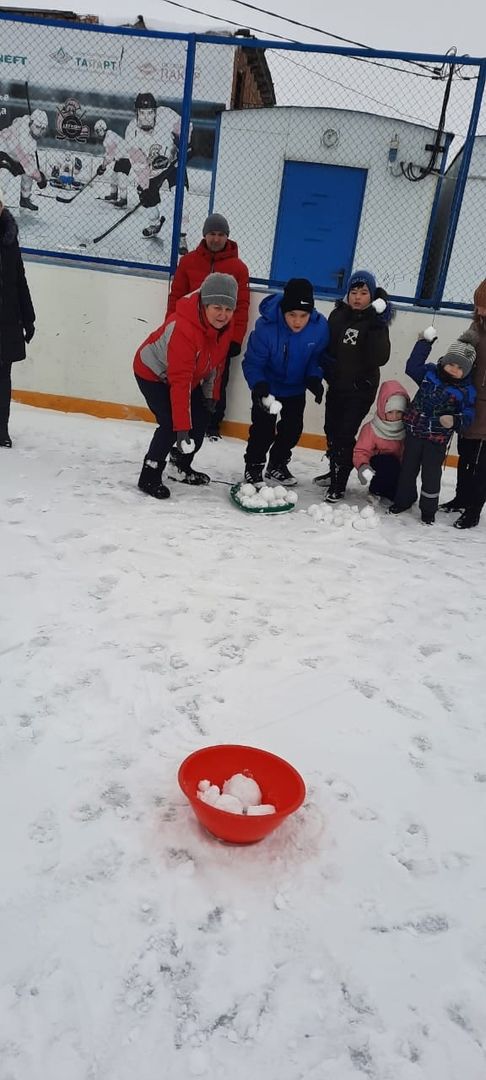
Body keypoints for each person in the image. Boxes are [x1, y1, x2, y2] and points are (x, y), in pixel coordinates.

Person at [133, 272, 237, 499]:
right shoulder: (184, 329)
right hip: (153, 373)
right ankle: (149, 474)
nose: (223, 314)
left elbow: (215, 364)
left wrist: (211, 395)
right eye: (217, 307)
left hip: (188, 376)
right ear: (204, 303)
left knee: (201, 417)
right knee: (171, 423)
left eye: (228, 309)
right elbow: (179, 383)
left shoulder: (224, 327)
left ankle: (179, 465)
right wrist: (181, 430)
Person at [166, 213, 250, 440]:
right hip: (189, 333)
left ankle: (213, 423)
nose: (216, 239)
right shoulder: (189, 261)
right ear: (204, 235)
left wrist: (236, 339)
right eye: (212, 234)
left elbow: (242, 306)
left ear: (227, 237)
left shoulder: (239, 268)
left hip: (221, 335)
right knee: (185, 377)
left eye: (220, 235)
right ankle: (180, 420)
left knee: (218, 379)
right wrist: (169, 328)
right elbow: (176, 297)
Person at [242, 278, 329, 486]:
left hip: (295, 389)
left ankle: (277, 464)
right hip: (268, 388)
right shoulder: (266, 327)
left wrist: (314, 378)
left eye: (303, 315)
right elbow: (253, 362)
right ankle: (253, 467)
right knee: (262, 430)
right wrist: (259, 385)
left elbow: (317, 358)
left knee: (292, 430)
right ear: (283, 311)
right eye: (292, 315)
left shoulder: (319, 328)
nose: (297, 321)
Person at [315, 269, 393, 502]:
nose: (358, 297)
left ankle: (339, 483)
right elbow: (328, 345)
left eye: (364, 292)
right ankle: (334, 469)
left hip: (360, 389)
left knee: (345, 433)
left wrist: (378, 326)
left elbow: (381, 357)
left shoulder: (375, 322)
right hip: (337, 384)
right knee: (331, 429)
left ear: (372, 296)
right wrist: (325, 364)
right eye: (354, 292)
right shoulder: (338, 315)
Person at [389, 332, 477, 525]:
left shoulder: (466, 391)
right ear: (444, 360)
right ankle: (403, 500)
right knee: (407, 469)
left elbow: (469, 416)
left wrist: (455, 420)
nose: (454, 369)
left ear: (468, 371)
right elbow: (412, 367)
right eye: (451, 363)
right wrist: (424, 343)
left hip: (436, 441)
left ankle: (428, 510)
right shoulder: (430, 373)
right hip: (413, 432)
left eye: (460, 367)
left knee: (431, 475)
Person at [440, 279, 486, 529]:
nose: (481, 312)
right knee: (466, 455)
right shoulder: (476, 327)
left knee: (481, 464)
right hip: (470, 403)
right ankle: (461, 497)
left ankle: (473, 509)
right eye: (478, 306)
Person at [117, 93, 189, 237]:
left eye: (150, 112)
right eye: (142, 113)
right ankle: (155, 223)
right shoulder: (131, 132)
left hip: (173, 163)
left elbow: (186, 128)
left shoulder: (167, 115)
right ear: (136, 113)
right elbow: (139, 165)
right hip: (151, 171)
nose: (146, 117)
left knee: (182, 196)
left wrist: (185, 143)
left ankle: (181, 236)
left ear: (156, 112)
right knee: (145, 195)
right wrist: (146, 186)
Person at [0, 188, 36, 447]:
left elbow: (19, 279)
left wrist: (29, 317)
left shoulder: (9, 239)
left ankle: (1, 428)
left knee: (3, 376)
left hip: (7, 320)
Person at [353, 380, 410, 501]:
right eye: (390, 412)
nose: (395, 417)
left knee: (407, 495)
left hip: (399, 467)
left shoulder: (408, 428)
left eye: (399, 412)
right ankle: (376, 489)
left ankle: (395, 488)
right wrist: (363, 466)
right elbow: (361, 451)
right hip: (379, 465)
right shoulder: (371, 428)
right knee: (388, 463)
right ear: (382, 409)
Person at [0, 109, 48, 211]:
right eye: (38, 127)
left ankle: (25, 199)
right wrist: (41, 179)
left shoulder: (25, 121)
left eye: (43, 128)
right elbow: (30, 168)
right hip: (3, 153)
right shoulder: (24, 139)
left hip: (16, 156)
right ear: (31, 122)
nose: (39, 132)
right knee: (4, 176)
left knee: (27, 175)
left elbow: (27, 162)